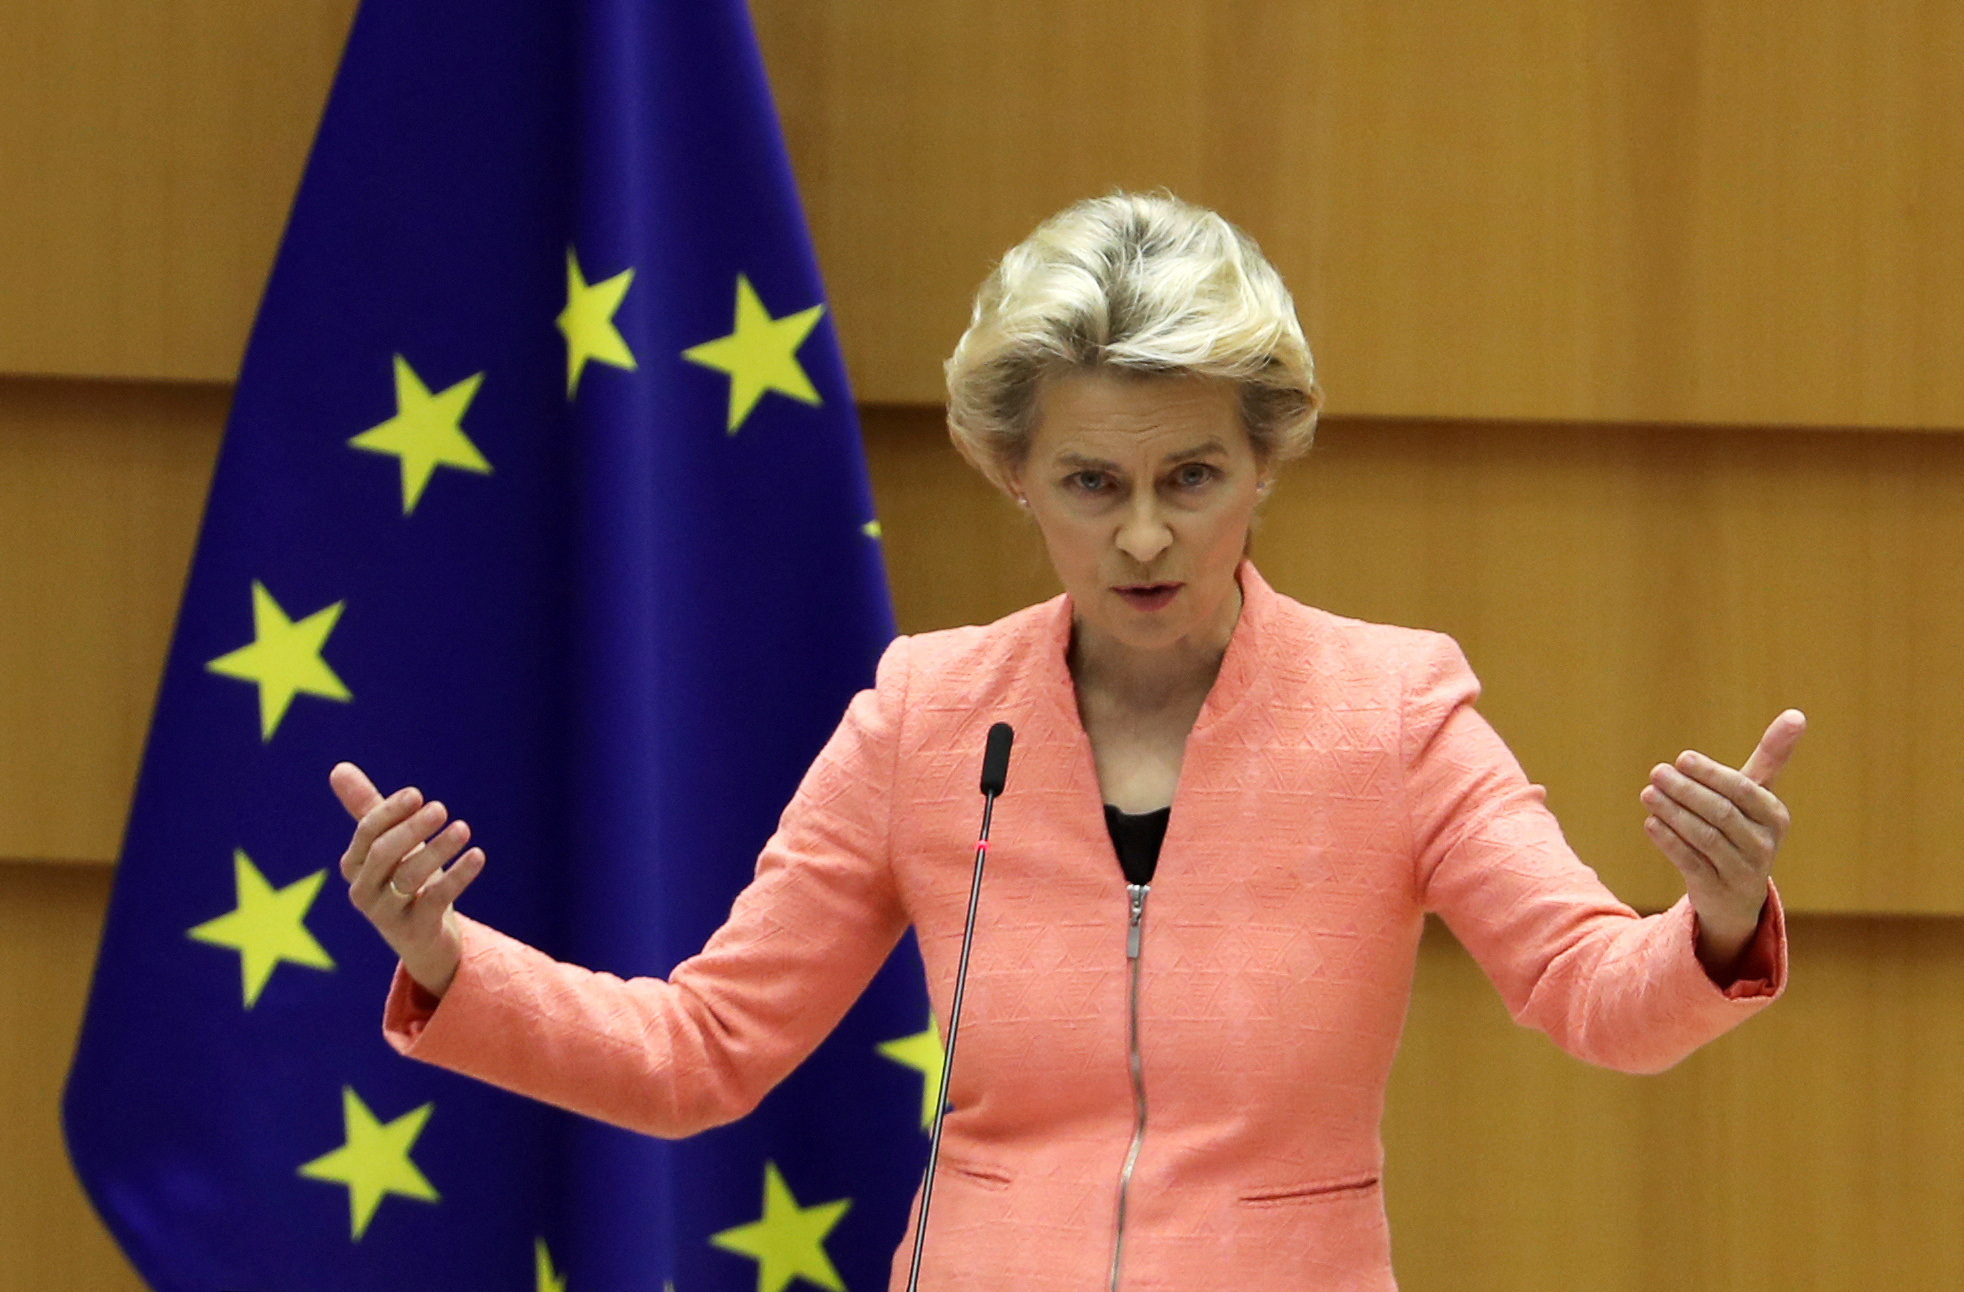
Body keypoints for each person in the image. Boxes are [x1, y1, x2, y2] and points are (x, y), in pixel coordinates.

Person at [332, 192, 1803, 1290]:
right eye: (1094, 481)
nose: (1148, 533)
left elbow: (1591, 994)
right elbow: (700, 1052)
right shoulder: (922, 714)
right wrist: (450, 960)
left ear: (1263, 467)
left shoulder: (1395, 711)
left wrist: (1714, 924)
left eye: (1194, 475)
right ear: (1014, 475)